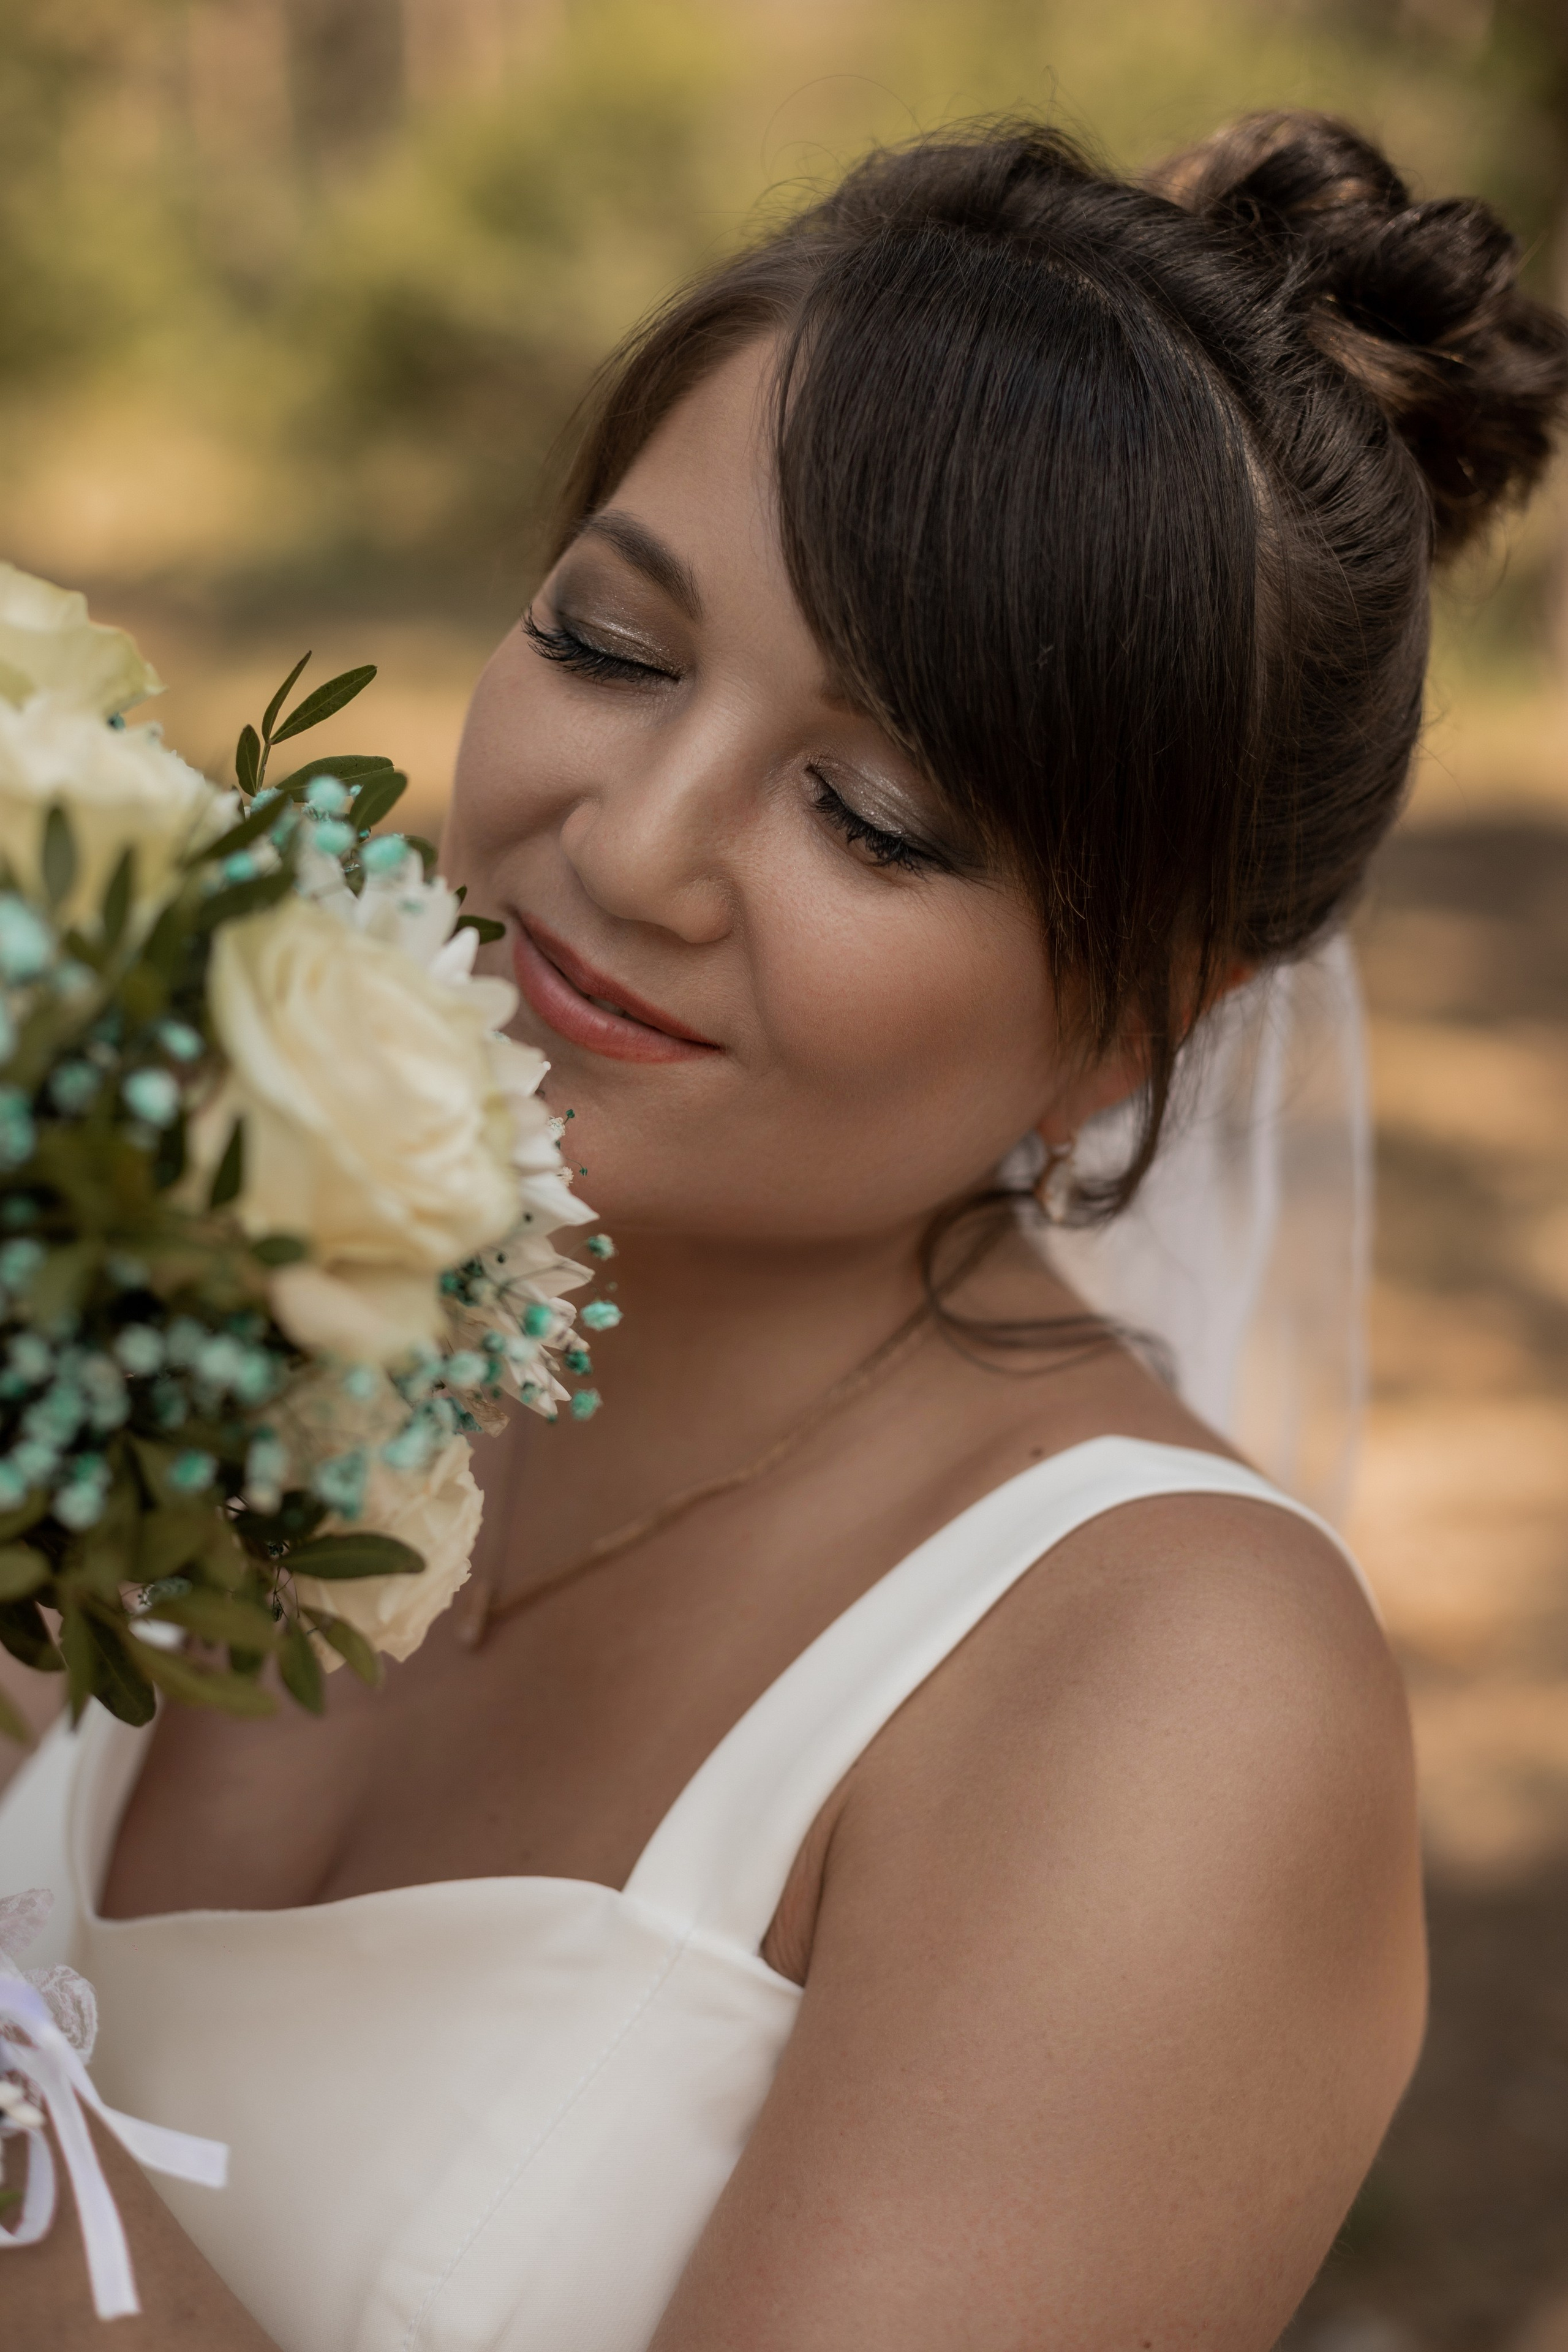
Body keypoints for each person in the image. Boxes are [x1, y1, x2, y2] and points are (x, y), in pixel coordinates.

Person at [3, 108, 1565, 2352]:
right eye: (612, 646)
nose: (628, 843)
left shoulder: (1166, 1697)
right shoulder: (216, 1289)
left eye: (872, 813)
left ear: (1144, 1020)